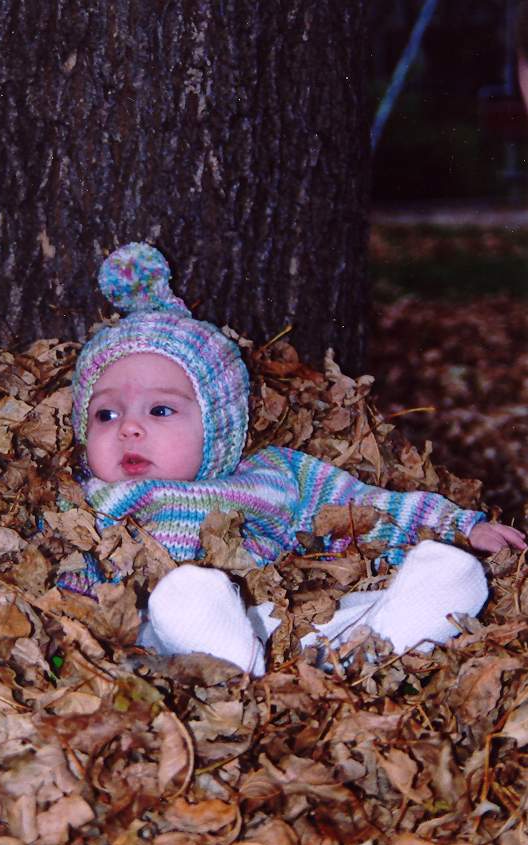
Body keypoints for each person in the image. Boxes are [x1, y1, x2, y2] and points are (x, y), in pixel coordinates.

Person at [61, 242, 525, 675]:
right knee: (180, 601)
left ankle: (381, 639)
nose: (128, 427)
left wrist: (461, 527)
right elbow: (69, 574)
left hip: (278, 621)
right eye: (105, 414)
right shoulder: (91, 499)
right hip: (162, 631)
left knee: (408, 590)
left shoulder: (275, 476)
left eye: (161, 410)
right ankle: (227, 668)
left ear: (218, 424)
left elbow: (364, 507)